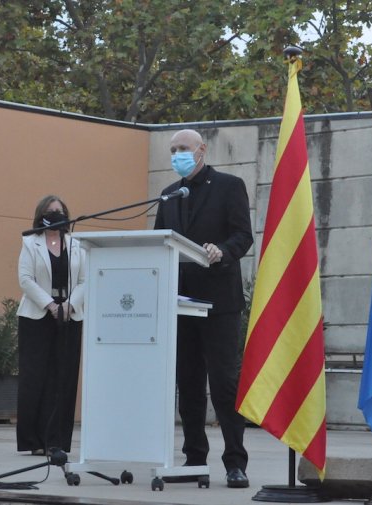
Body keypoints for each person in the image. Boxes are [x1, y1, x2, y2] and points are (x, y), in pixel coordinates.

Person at [154, 129, 254, 488]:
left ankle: (235, 462)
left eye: (184, 149)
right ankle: (194, 458)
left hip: (219, 303)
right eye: (173, 150)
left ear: (202, 150)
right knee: (189, 383)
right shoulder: (168, 195)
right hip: (179, 302)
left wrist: (221, 252)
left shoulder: (229, 186)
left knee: (225, 384)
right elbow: (157, 244)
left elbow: (243, 236)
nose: (178, 154)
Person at [16, 194, 86, 462]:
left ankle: (56, 440)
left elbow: (85, 278)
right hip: (37, 314)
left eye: (60, 211)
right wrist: (50, 305)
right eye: (51, 211)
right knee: (36, 377)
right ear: (41, 215)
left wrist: (68, 305)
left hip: (70, 313)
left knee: (64, 377)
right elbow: (25, 279)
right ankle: (34, 440)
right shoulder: (30, 242)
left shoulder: (77, 244)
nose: (56, 214)